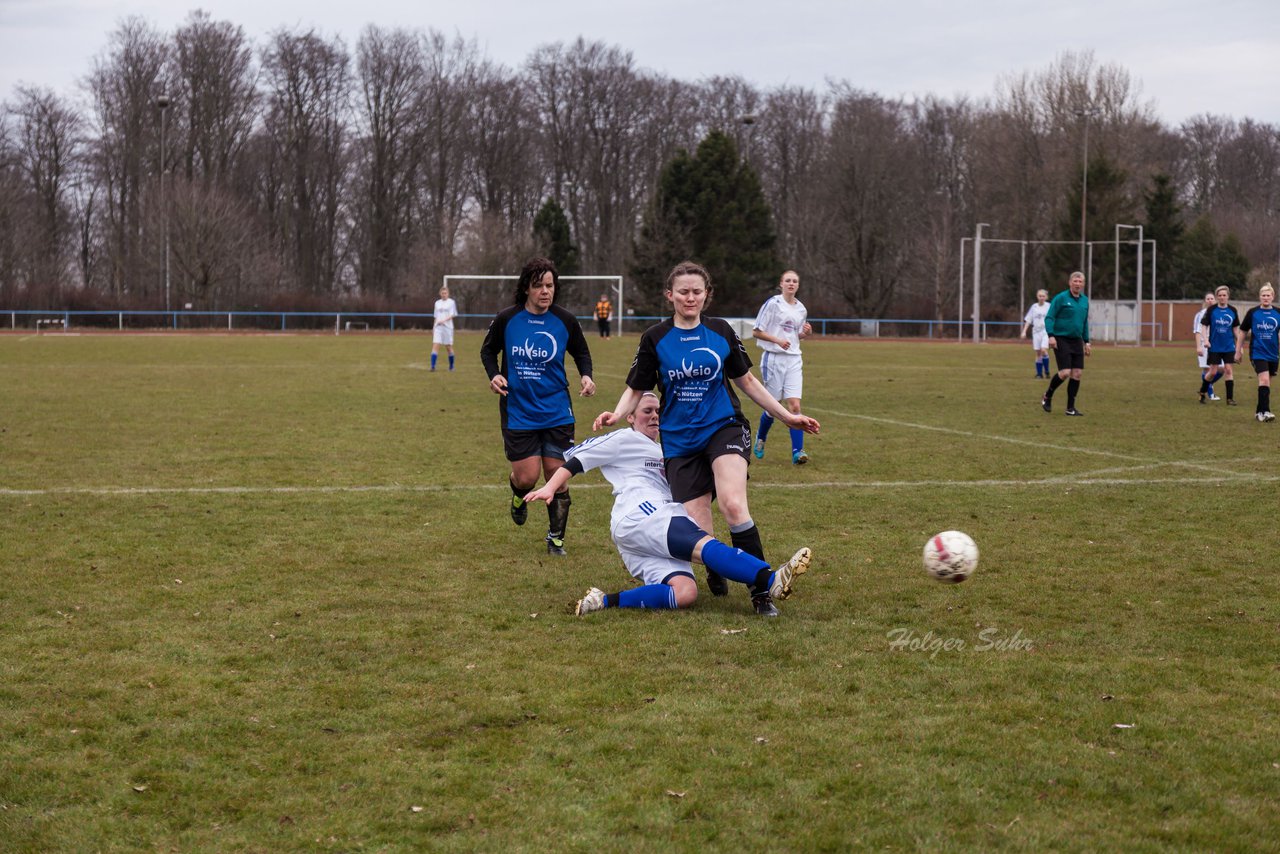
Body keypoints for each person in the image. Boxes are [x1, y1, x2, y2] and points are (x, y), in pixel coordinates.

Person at [593, 261, 820, 616]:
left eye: (697, 291)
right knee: (699, 527)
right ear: (670, 295)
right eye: (683, 291)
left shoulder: (721, 331)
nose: (690, 297)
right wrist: (617, 414)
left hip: (722, 426)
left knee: (732, 503)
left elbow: (747, 382)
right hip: (680, 441)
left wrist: (787, 416)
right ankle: (718, 568)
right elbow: (637, 387)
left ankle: (761, 593)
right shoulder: (655, 338)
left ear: (706, 295)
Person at [525, 392, 812, 616]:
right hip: (641, 513)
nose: (654, 417)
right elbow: (577, 460)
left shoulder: (669, 449)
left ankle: (603, 600)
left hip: (642, 533)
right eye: (647, 411)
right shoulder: (625, 438)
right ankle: (769, 578)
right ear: (630, 417)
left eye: (659, 412)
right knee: (702, 544)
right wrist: (550, 487)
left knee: (685, 593)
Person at [480, 257, 595, 555]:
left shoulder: (565, 320)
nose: (545, 291)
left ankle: (556, 539)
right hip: (519, 410)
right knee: (527, 477)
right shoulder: (507, 318)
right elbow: (488, 350)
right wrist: (494, 375)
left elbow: (581, 352)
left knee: (557, 473)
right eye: (538, 286)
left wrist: (586, 376)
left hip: (557, 409)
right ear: (526, 288)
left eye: (550, 285)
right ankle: (518, 495)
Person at [751, 269, 814, 465]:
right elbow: (756, 332)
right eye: (788, 280)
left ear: (798, 285)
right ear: (781, 284)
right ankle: (761, 438)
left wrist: (806, 333)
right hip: (774, 359)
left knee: (794, 405)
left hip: (794, 358)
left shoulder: (801, 309)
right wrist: (777, 340)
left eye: (795, 281)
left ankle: (798, 452)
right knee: (773, 407)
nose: (791, 284)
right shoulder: (773, 304)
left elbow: (795, 336)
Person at [1041, 271, 1091, 417]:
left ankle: (1070, 408)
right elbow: (1049, 317)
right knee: (1065, 373)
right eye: (1075, 281)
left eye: (1080, 281)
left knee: (1077, 374)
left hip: (1077, 340)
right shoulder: (1061, 298)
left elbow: (1084, 322)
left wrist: (1087, 341)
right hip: (1061, 339)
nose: (1077, 284)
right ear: (1070, 283)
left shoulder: (1084, 301)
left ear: (1083, 284)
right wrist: (1051, 336)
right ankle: (1047, 395)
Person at [1236, 283, 1279, 422]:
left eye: (1268, 295)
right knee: (1264, 379)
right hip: (1257, 352)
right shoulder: (1253, 313)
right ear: (1260, 297)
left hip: (1273, 353)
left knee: (1266, 383)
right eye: (1263, 295)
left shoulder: (1278, 313)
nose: (1265, 298)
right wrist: (1238, 350)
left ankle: (1258, 412)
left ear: (1273, 297)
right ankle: (1265, 412)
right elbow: (1242, 331)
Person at [1198, 285, 1241, 406]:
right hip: (1215, 346)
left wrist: (1239, 345)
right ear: (1217, 297)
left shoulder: (1233, 310)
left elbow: (1235, 330)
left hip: (1228, 346)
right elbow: (1204, 326)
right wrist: (1206, 340)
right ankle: (1202, 391)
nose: (1222, 297)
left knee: (1228, 370)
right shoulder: (1211, 310)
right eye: (1220, 295)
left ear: (1228, 296)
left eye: (1224, 295)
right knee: (1212, 372)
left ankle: (1230, 399)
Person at [1192, 292, 1220, 401]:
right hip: (1205, 344)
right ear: (1205, 300)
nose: (1210, 300)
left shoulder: (1219, 312)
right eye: (1208, 298)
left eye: (1212, 298)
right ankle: (1210, 392)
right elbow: (1197, 331)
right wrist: (1199, 346)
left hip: (1217, 344)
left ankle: (1207, 384)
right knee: (1208, 369)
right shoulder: (1201, 314)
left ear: (1215, 300)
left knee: (1222, 369)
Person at [1020, 289, 1051, 379]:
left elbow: (1054, 318)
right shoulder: (1034, 307)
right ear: (1037, 296)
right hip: (1036, 332)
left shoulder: (1049, 306)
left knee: (1043, 350)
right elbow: (1029, 320)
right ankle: (1039, 374)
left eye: (1043, 296)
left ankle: (1047, 370)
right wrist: (1024, 331)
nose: (1041, 298)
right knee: (1038, 353)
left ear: (1046, 297)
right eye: (1040, 296)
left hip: (1046, 331)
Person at [431, 286, 457, 371]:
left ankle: (451, 366)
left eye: (445, 293)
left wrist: (444, 320)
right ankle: (433, 366)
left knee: (448, 347)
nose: (444, 295)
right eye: (442, 293)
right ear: (440, 294)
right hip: (438, 327)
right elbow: (435, 316)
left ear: (448, 294)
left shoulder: (451, 302)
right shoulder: (437, 303)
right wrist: (434, 327)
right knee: (435, 345)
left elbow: (452, 314)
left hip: (447, 328)